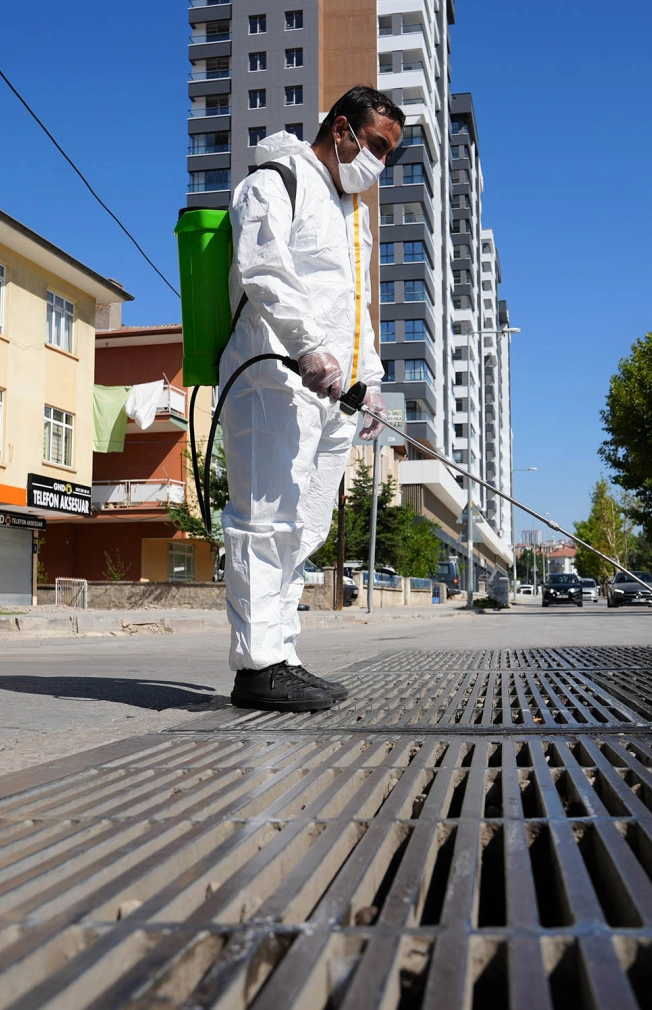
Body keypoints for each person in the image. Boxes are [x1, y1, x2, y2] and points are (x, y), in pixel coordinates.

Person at [221, 86, 404, 711]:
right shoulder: (276, 179)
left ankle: (284, 653)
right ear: (343, 129)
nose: (379, 162)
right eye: (377, 146)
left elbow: (357, 305)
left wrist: (370, 377)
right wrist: (307, 346)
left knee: (307, 524)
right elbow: (263, 268)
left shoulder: (354, 211)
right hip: (274, 375)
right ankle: (256, 665)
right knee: (264, 519)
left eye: (390, 154)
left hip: (336, 391)